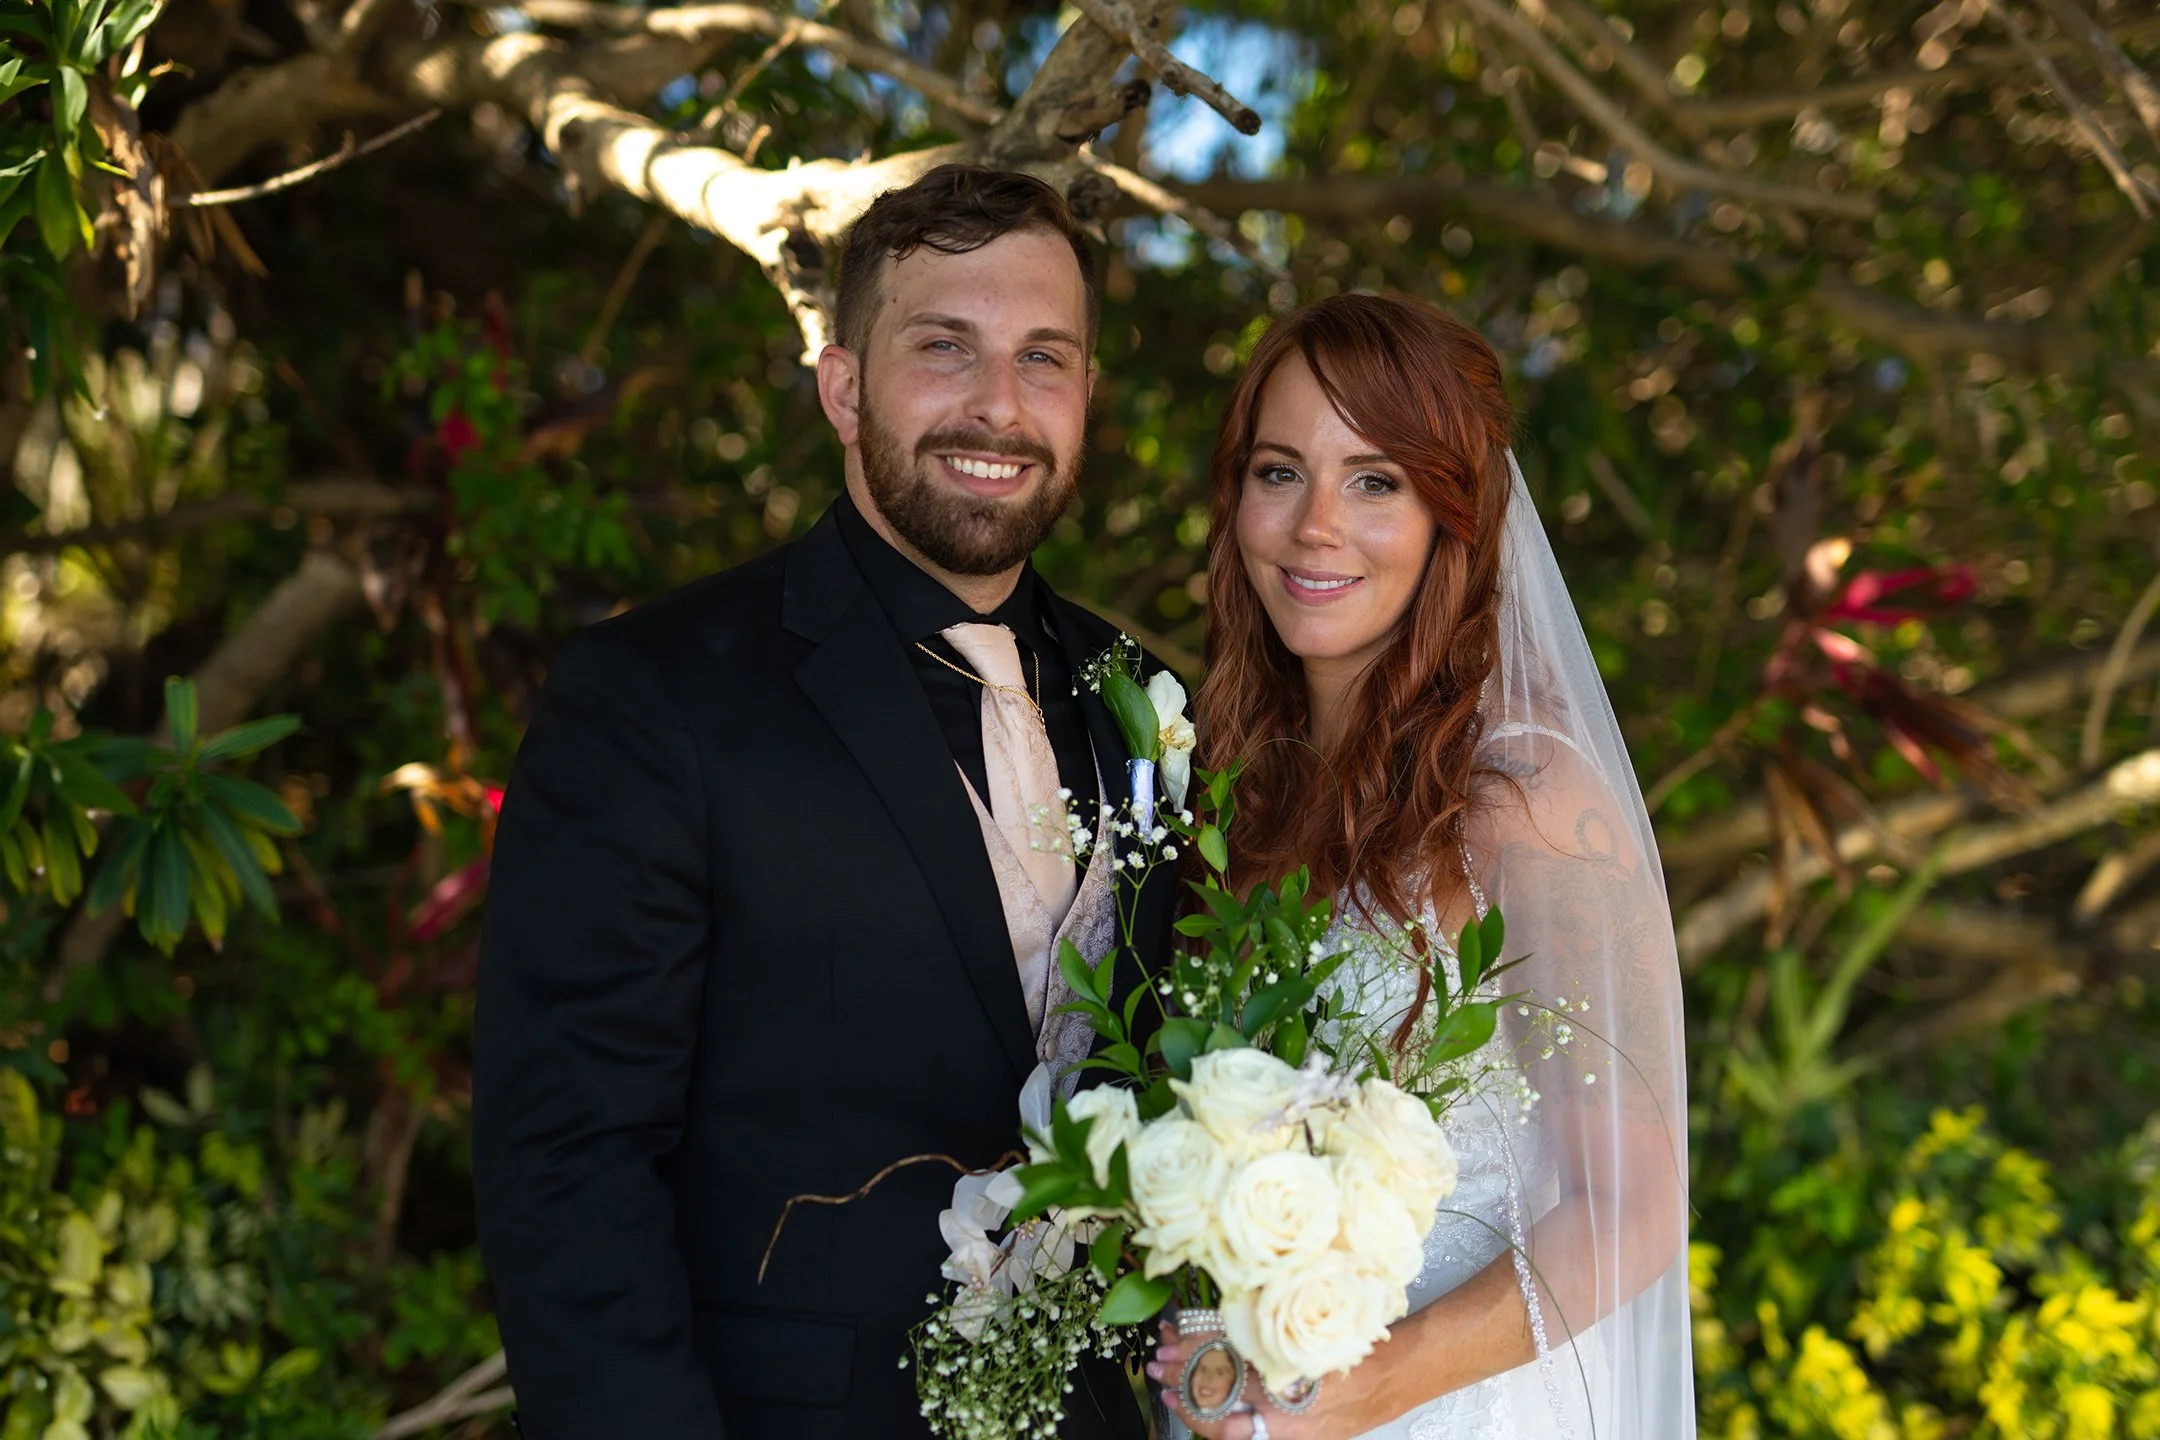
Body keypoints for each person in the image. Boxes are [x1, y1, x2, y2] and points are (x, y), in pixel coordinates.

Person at [473, 164, 1177, 1439]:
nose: (999, 406)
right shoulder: (655, 697)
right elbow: (566, 1171)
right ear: (842, 386)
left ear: (1088, 398)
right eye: (944, 348)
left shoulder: (1149, 701)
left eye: (1045, 359)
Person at [1150, 293, 1694, 1439]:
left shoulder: (1527, 801)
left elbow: (1634, 1210)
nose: (1315, 527)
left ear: (1457, 513)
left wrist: (1372, 1388)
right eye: (1279, 471)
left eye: (1376, 480)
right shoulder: (1227, 796)